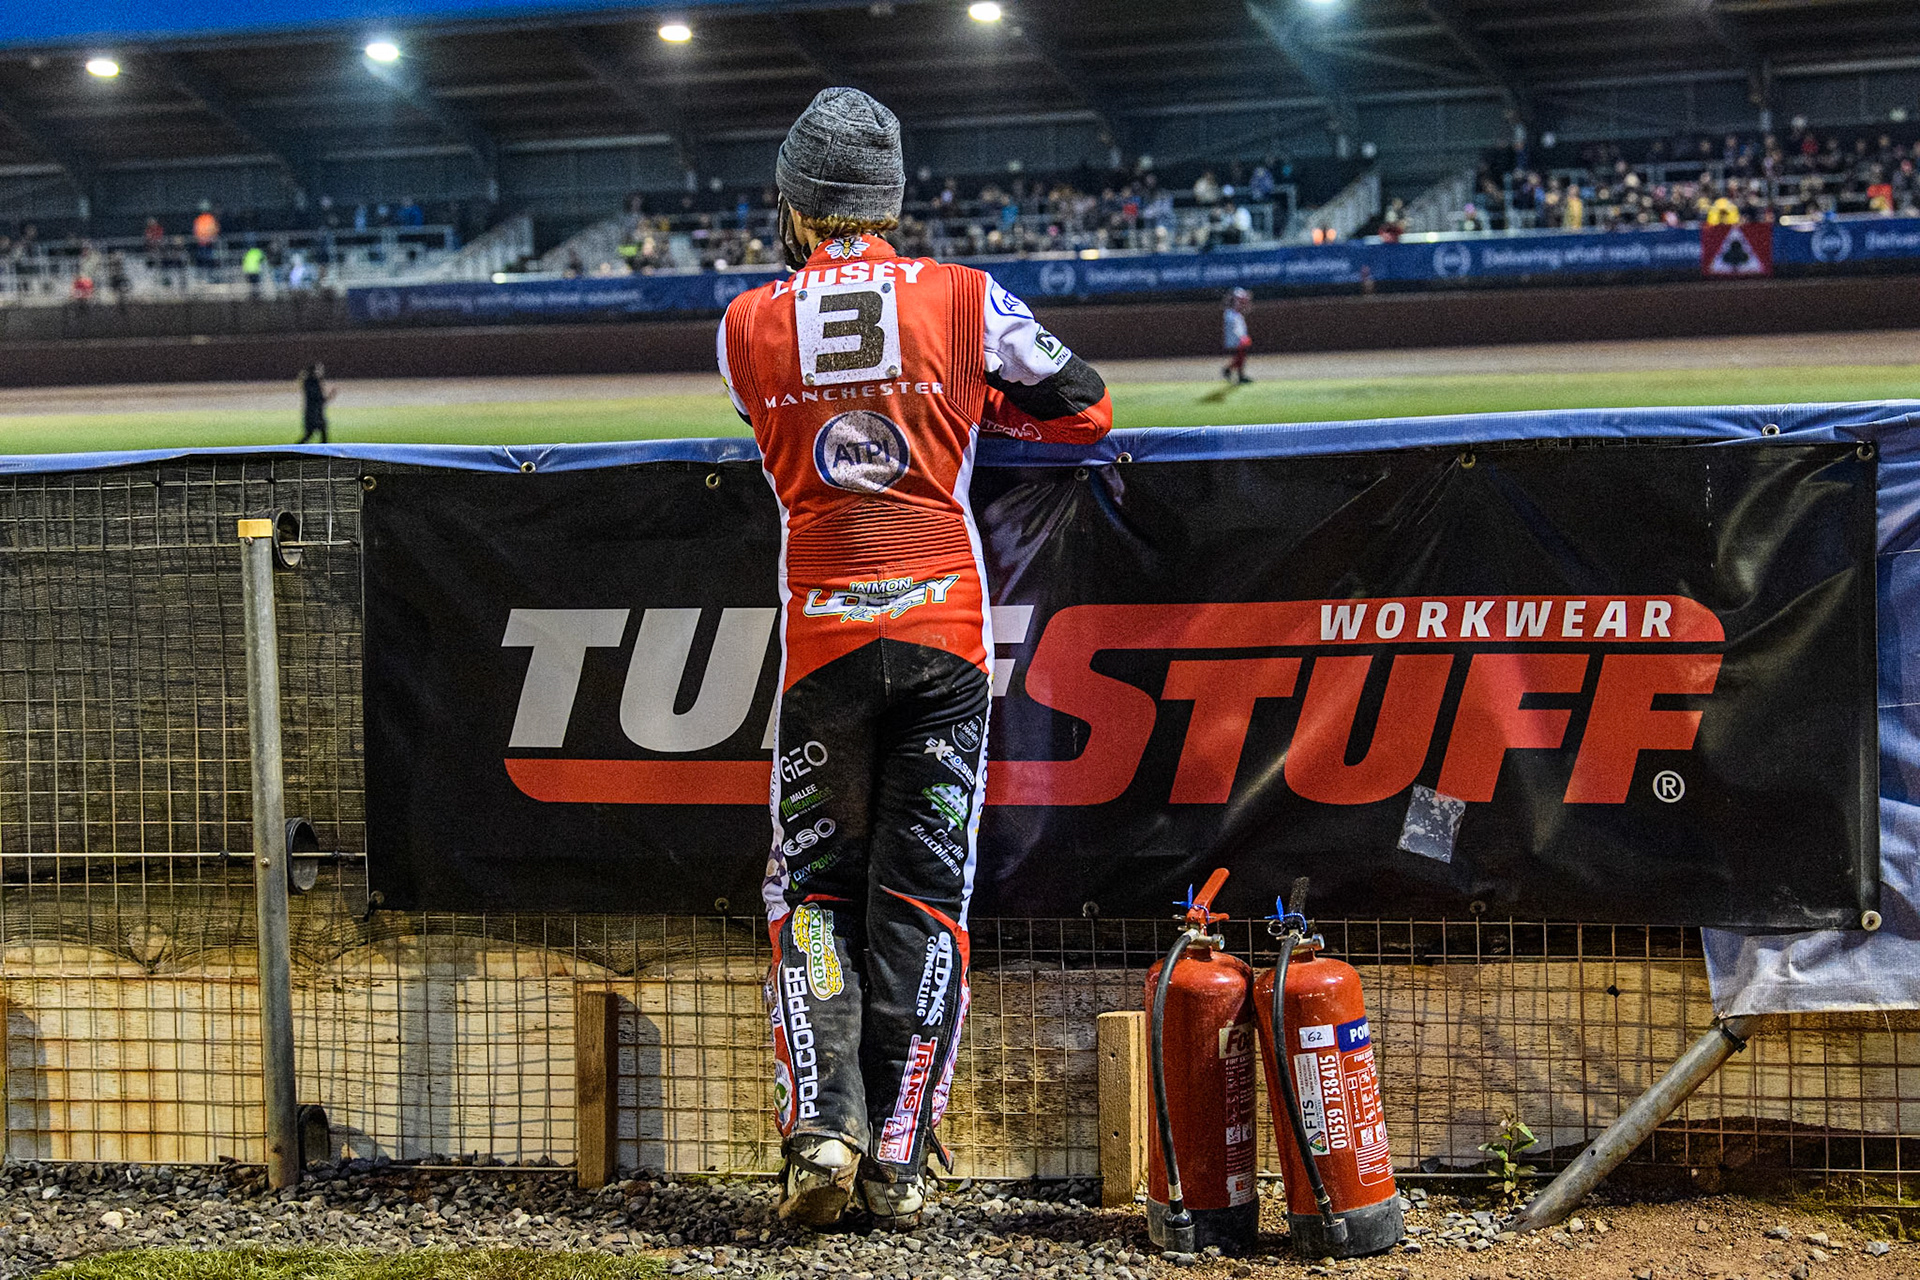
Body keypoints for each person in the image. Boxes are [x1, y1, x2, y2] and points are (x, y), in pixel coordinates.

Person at [717, 87, 1111, 1231]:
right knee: (925, 893)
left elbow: (771, 424)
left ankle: (823, 1130)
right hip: (944, 636)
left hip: (824, 643)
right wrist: (979, 412)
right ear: (890, 202)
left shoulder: (746, 324)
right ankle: (900, 1157)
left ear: (795, 205)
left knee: (810, 892)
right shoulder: (966, 297)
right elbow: (1084, 408)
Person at [1222, 287, 1253, 383]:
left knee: (1241, 357)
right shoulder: (1230, 313)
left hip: (1239, 338)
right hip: (1236, 338)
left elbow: (1246, 308)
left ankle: (1231, 371)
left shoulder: (1236, 314)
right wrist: (1241, 337)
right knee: (1240, 356)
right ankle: (1238, 375)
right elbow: (1234, 328)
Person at [298, 363, 335, 443]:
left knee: (318, 433)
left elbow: (319, 399)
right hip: (313, 414)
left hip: (317, 412)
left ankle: (294, 449)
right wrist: (329, 396)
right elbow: (316, 398)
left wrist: (330, 395)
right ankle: (294, 449)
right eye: (319, 370)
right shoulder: (310, 382)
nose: (321, 372)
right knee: (312, 434)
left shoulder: (314, 382)